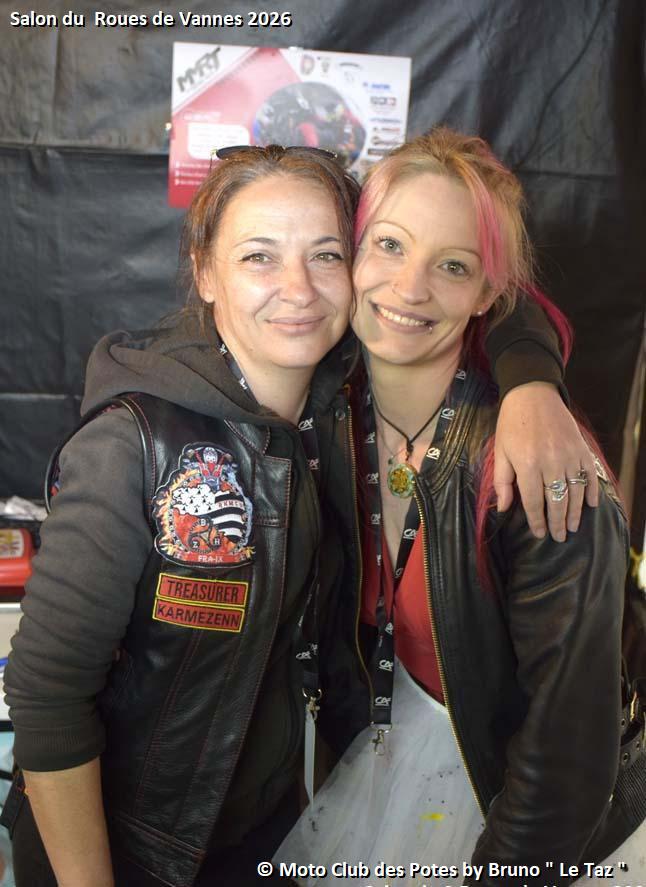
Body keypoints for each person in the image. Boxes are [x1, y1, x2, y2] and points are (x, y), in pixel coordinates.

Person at [2, 143, 600, 887]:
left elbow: (493, 288)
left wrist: (532, 383)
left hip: (274, 832)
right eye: (259, 256)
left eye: (325, 255)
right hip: (131, 855)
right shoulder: (137, 441)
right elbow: (47, 693)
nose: (298, 288)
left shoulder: (340, 404)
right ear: (205, 272)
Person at [279, 128, 646, 885]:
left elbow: (566, 757)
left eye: (453, 265)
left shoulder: (537, 471)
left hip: (526, 804)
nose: (409, 288)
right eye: (388, 245)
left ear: (488, 294)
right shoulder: (326, 401)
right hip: (385, 749)